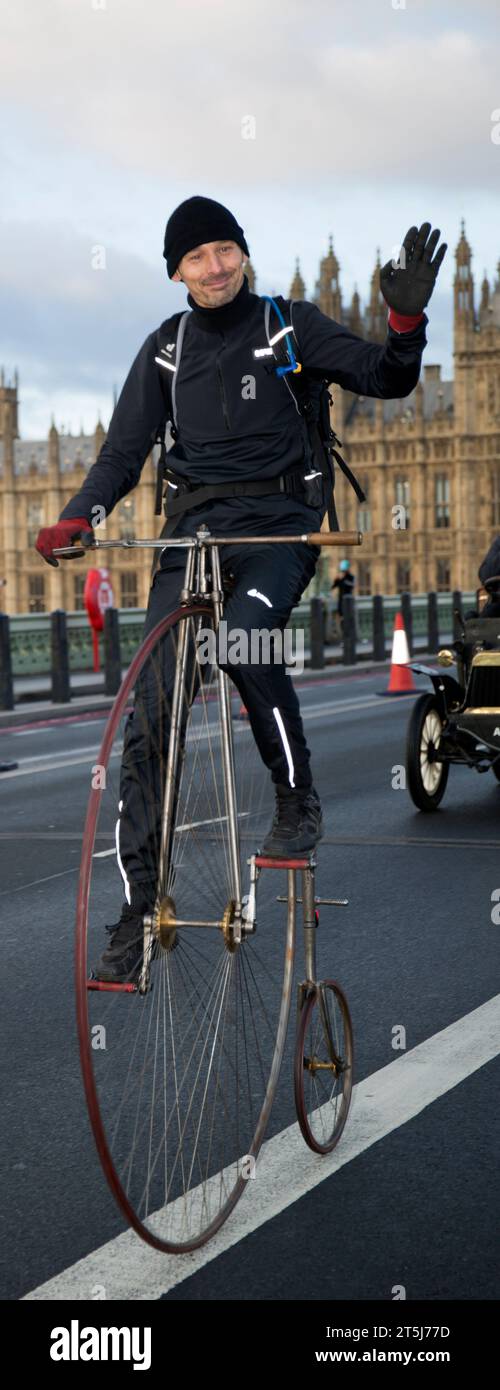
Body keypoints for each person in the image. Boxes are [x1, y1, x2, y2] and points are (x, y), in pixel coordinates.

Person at [36, 199, 446, 981]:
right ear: (177, 272)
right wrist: (77, 516)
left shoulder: (288, 325)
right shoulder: (165, 349)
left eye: (225, 250)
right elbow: (122, 456)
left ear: (244, 257)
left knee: (245, 643)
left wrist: (404, 324)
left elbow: (385, 378)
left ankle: (297, 800)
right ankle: (135, 913)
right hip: (189, 537)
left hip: (279, 532)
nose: (214, 266)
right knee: (148, 715)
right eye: (197, 257)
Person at [331, 559, 355, 638]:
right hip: (341, 601)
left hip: (348, 601)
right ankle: (344, 636)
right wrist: (335, 580)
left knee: (348, 619)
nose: (343, 572)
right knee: (342, 619)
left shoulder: (351, 577)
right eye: (342, 571)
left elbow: (351, 586)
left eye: (344, 570)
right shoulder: (340, 579)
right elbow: (332, 587)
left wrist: (343, 579)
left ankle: (349, 636)